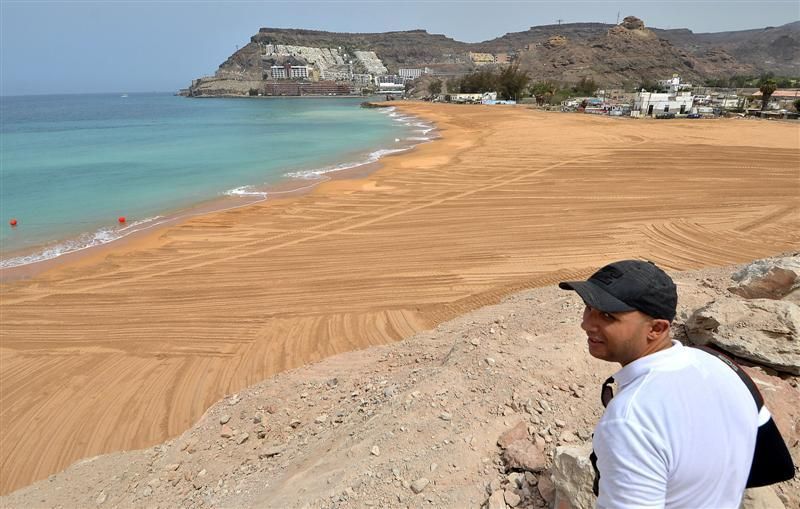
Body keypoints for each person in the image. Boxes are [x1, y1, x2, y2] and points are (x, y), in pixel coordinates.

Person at [558, 259, 788, 508]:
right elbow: (772, 464)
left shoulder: (630, 419)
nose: (587, 324)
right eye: (588, 307)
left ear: (657, 328)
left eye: (607, 315)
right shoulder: (723, 366)